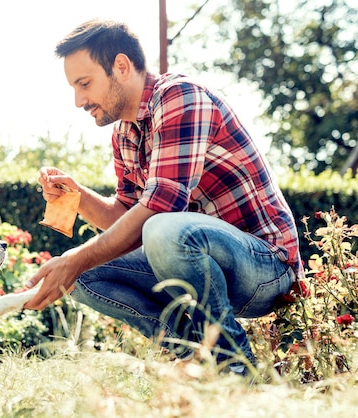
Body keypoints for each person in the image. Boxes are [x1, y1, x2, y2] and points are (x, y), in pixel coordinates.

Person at [23, 18, 303, 373]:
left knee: (162, 230)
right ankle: (197, 357)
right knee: (83, 274)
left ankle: (235, 370)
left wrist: (76, 257)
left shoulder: (181, 98)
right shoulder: (125, 132)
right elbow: (126, 219)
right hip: (199, 259)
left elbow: (159, 210)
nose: (79, 100)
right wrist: (78, 198)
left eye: (85, 84)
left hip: (266, 267)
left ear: (121, 67)